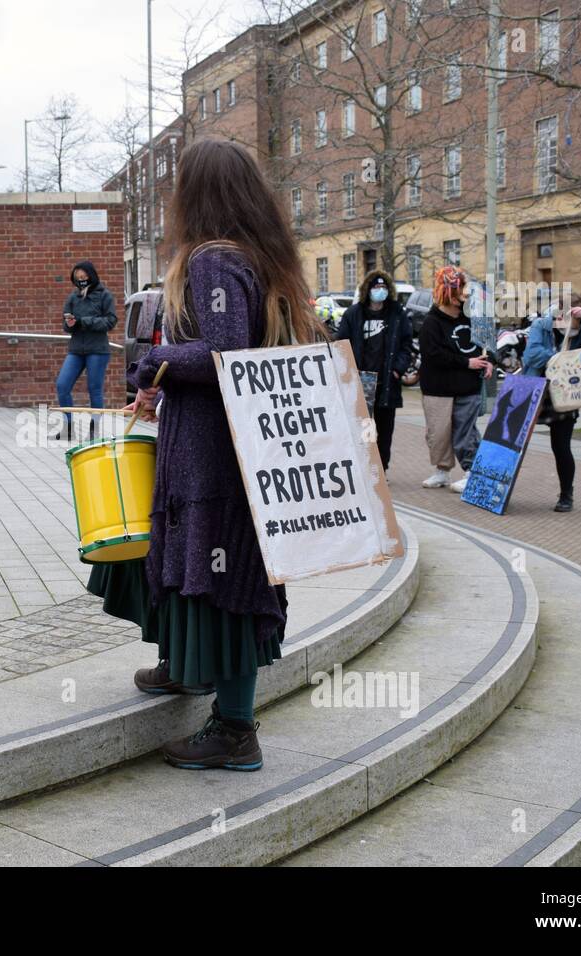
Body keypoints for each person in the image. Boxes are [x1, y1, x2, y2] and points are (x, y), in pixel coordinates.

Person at [88, 139, 327, 772]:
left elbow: (225, 354)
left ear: (197, 195)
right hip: (232, 447)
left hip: (211, 454)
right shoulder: (259, 256)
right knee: (211, 568)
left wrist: (152, 365)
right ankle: (188, 671)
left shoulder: (212, 261)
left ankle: (234, 729)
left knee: (220, 575)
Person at [521, 296, 581, 512]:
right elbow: (532, 355)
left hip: (567, 395)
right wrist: (562, 359)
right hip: (536, 392)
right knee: (514, 442)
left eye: (573, 320)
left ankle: (566, 495)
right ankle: (497, 485)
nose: (567, 324)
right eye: (562, 317)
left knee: (561, 447)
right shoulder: (541, 326)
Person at [418, 265, 493, 493]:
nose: (464, 296)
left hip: (467, 386)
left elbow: (487, 345)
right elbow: (433, 354)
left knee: (465, 431)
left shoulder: (473, 318)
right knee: (437, 433)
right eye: (459, 290)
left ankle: (473, 472)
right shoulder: (431, 323)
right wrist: (465, 362)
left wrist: (490, 361)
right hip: (437, 388)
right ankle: (442, 471)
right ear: (447, 292)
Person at [334, 271, 413, 471]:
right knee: (363, 429)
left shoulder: (397, 314)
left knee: (385, 431)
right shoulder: (354, 314)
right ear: (367, 290)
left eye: (384, 288)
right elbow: (341, 344)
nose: (380, 291)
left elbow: (406, 344)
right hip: (363, 380)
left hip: (387, 381)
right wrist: (348, 372)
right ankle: (365, 468)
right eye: (376, 287)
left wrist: (398, 369)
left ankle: (381, 469)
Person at [56, 260, 116, 440]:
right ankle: (68, 427)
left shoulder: (105, 295)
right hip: (76, 349)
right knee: (62, 385)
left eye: (83, 277)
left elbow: (110, 321)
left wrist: (84, 321)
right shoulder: (72, 298)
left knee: (94, 389)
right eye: (77, 278)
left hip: (97, 349)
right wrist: (70, 324)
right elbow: (66, 326)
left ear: (91, 276)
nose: (80, 280)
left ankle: (94, 429)